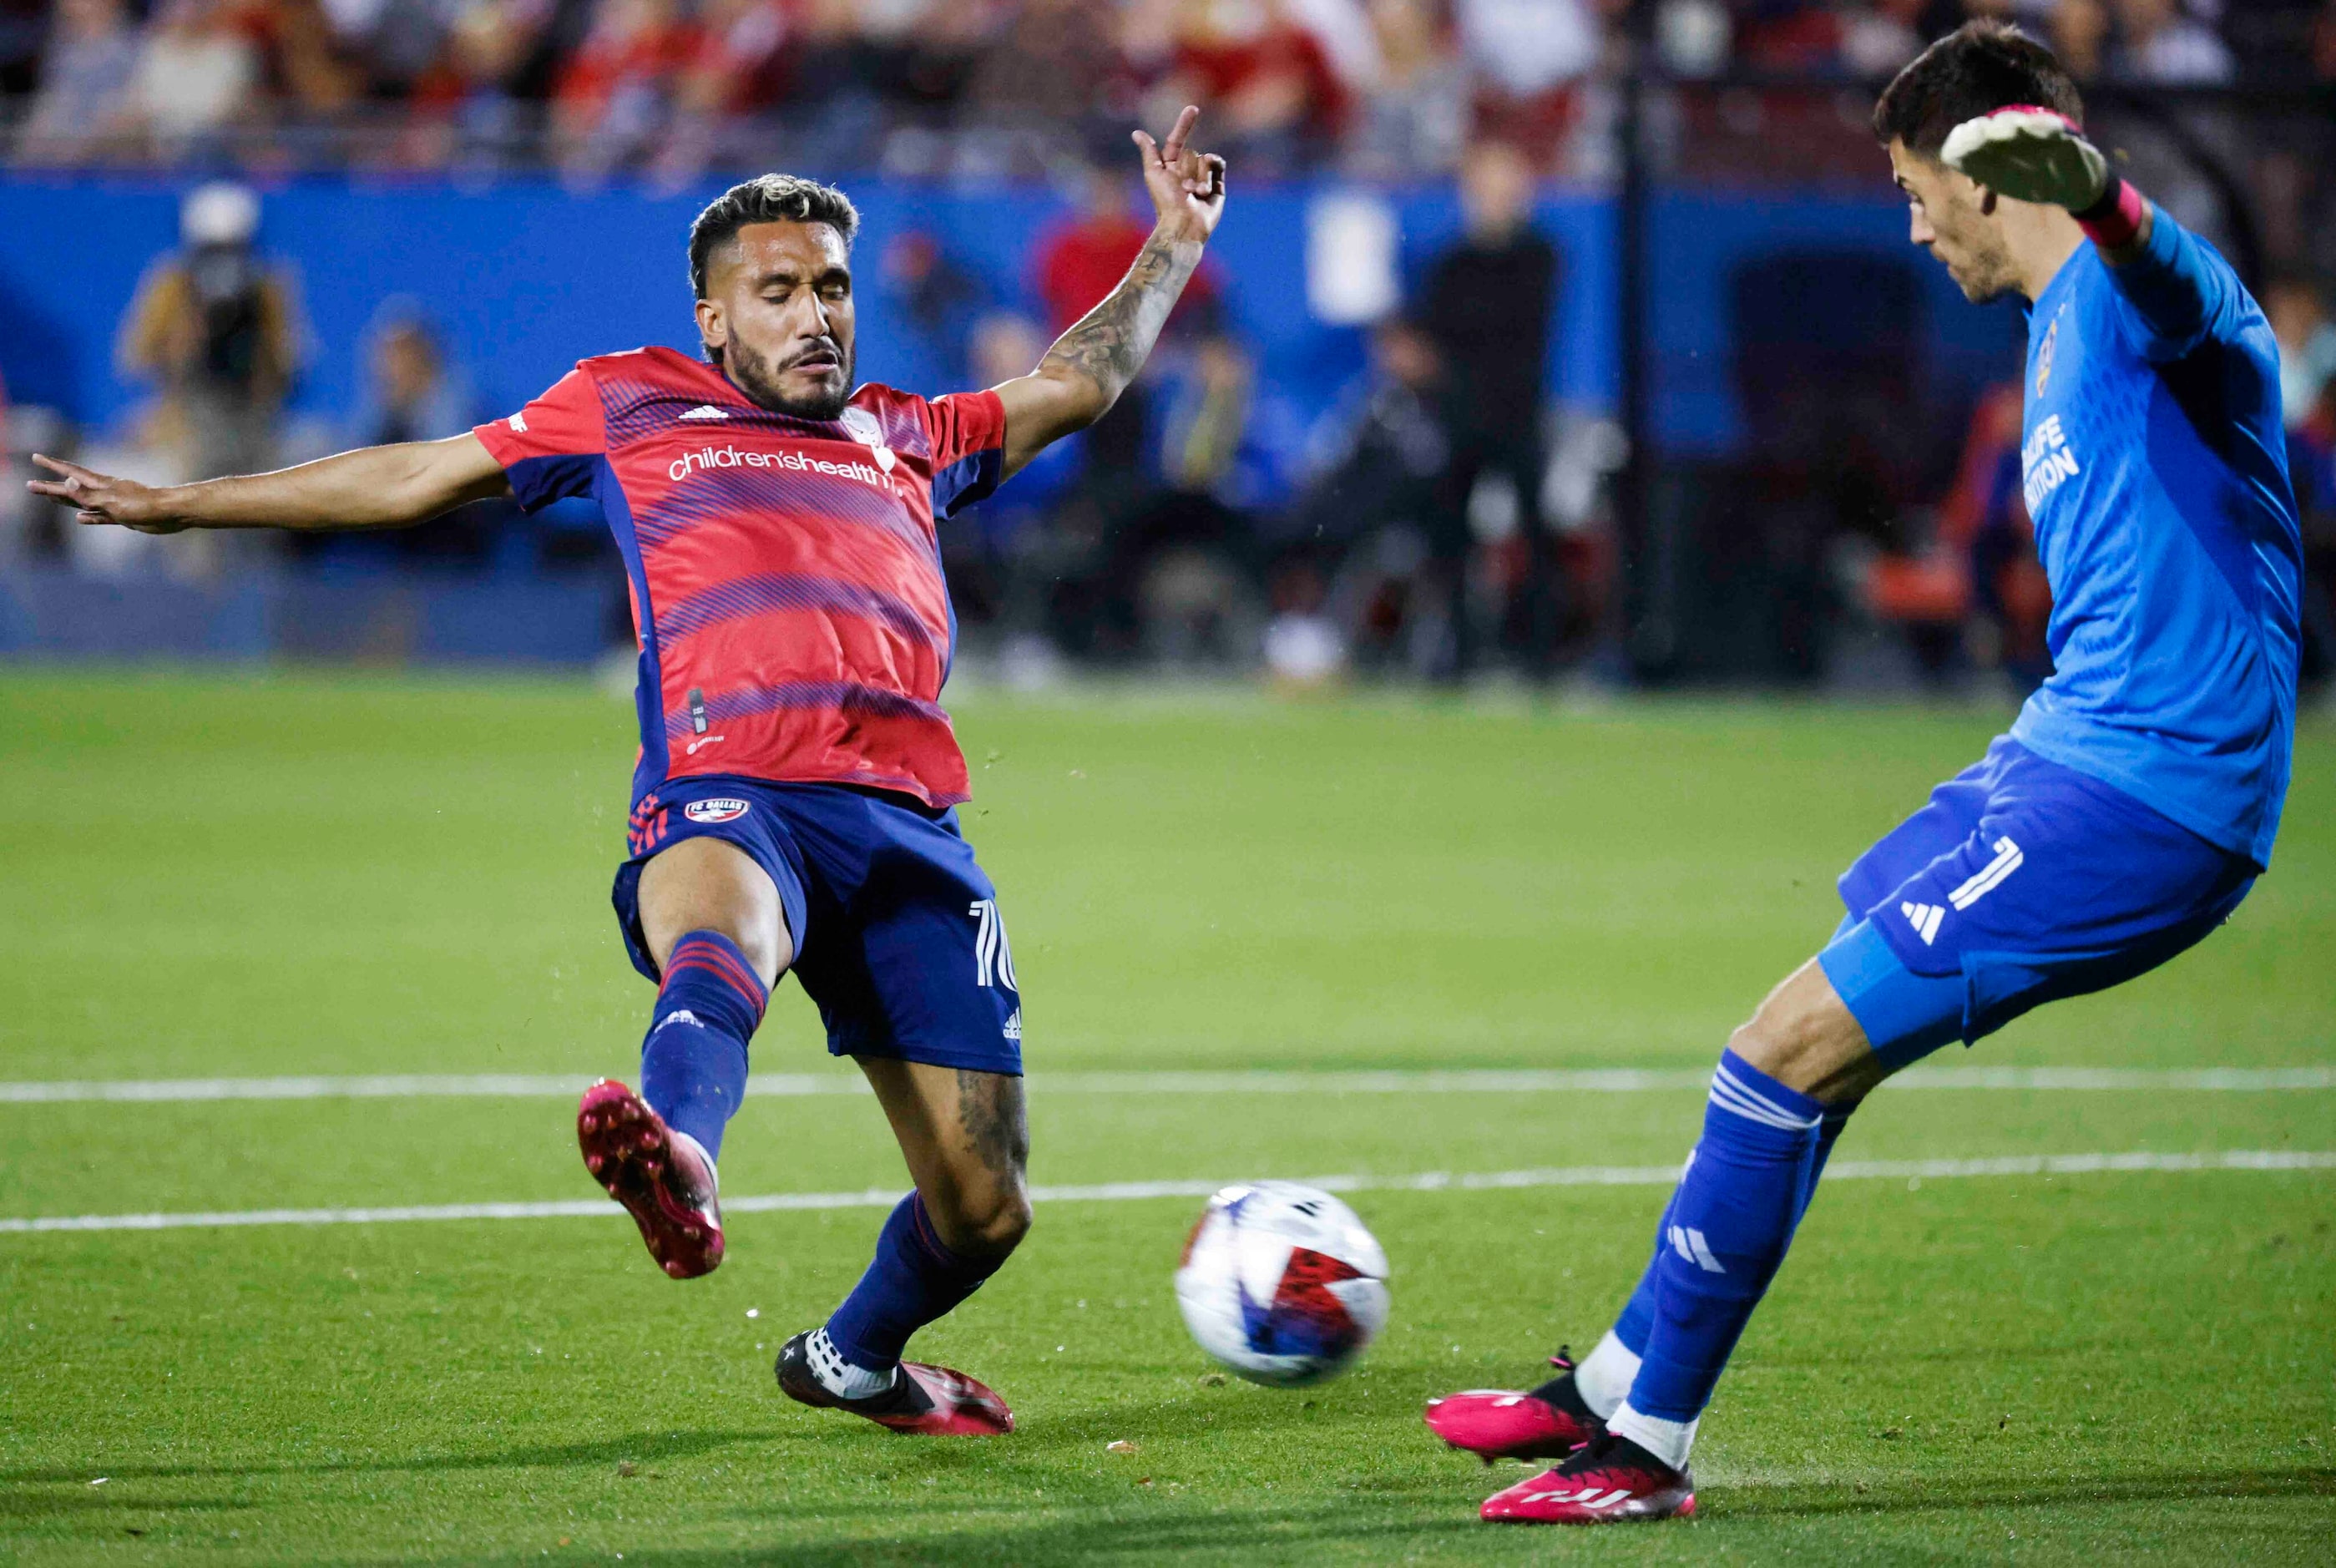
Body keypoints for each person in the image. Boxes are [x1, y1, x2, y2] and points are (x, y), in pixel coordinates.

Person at [33, 107, 1231, 1439]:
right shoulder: (629, 402)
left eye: (830, 286)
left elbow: (1081, 380)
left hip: (906, 828)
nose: (815, 316)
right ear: (715, 321)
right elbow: (418, 474)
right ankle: (683, 1162)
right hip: (733, 794)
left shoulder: (909, 434)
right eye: (776, 293)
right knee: (723, 926)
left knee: (985, 1204)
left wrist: (1173, 245)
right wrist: (183, 498)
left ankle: (851, 1356)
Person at [1422, 22, 2298, 1524]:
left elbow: (2183, 290)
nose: (1906, 221)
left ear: (1988, 171)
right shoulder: (2048, 329)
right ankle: (1623, 1374)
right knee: (1794, 1040)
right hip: (2058, 753)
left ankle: (1648, 1449)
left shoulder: (2136, 288)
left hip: (2154, 794)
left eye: (1914, 187)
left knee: (1782, 1049)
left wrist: (2097, 192)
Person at [1418, 138, 1560, 680]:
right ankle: (1458, 651)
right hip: (1462, 418)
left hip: (1516, 415)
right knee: (1452, 535)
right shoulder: (1453, 261)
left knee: (1535, 535)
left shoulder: (1537, 255)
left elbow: (1499, 328)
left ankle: (1541, 652)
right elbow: (1437, 333)